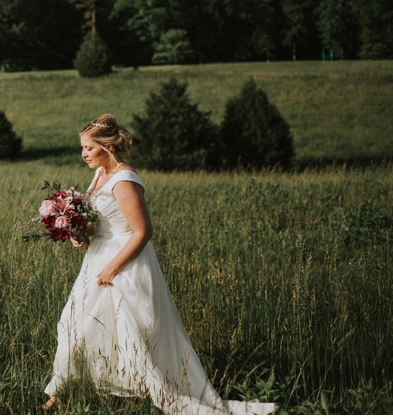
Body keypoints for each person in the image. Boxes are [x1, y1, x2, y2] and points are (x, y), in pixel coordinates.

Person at [42, 114, 274, 415]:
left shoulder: (125, 180)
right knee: (75, 327)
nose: (84, 154)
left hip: (124, 263)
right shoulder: (100, 175)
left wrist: (113, 269)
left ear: (108, 147)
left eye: (89, 147)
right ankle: (62, 393)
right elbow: (102, 223)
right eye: (83, 148)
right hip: (97, 259)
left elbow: (142, 231)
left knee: (129, 335)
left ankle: (149, 392)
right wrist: (79, 233)